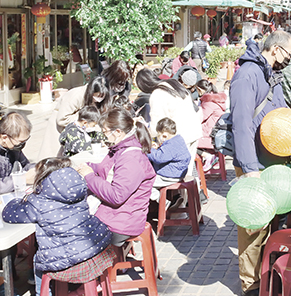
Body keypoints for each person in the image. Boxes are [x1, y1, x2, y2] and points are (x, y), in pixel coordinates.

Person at [228, 31, 291, 296]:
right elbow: (241, 123)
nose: (287, 60)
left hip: (270, 159)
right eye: (287, 55)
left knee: (269, 223)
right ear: (276, 50)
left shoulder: (268, 72)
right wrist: (250, 169)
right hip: (254, 161)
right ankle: (251, 284)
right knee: (253, 227)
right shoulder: (247, 75)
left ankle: (264, 276)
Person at [2, 157, 113, 295]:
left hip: (70, 258)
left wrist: (19, 200)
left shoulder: (39, 202)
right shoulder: (78, 189)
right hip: (95, 248)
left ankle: (42, 292)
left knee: (38, 259)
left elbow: (9, 214)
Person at [73, 108, 155, 246]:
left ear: (118, 132)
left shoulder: (131, 159)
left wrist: (89, 176)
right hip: (115, 215)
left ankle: (95, 266)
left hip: (121, 222)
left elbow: (116, 196)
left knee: (67, 230)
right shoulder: (120, 149)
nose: (104, 136)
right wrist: (87, 167)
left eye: (105, 132)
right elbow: (106, 168)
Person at [39, 76, 110, 159]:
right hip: (61, 128)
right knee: (53, 159)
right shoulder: (76, 95)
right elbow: (62, 119)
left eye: (102, 96)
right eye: (97, 96)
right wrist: (83, 117)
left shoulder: (97, 100)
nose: (99, 99)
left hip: (81, 129)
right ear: (91, 91)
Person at [149, 78, 202, 172]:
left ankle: (185, 185)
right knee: (187, 170)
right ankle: (191, 185)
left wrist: (150, 137)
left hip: (179, 134)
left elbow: (156, 122)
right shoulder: (173, 84)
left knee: (177, 171)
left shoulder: (158, 93)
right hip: (193, 129)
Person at [148, 118, 191, 198]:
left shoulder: (171, 144)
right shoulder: (177, 140)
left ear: (164, 135)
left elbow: (158, 158)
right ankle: (175, 200)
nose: (158, 138)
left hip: (169, 175)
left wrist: (149, 150)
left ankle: (162, 201)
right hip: (177, 173)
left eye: (158, 135)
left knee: (145, 184)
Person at [0, 112, 32, 194]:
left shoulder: (13, 148)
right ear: (4, 138)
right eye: (20, 142)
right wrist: (21, 179)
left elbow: (26, 165)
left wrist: (37, 169)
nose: (23, 144)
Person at [196, 80, 227, 150]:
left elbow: (200, 117)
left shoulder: (209, 103)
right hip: (214, 132)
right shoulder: (216, 100)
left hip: (208, 134)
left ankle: (206, 156)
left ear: (199, 89)